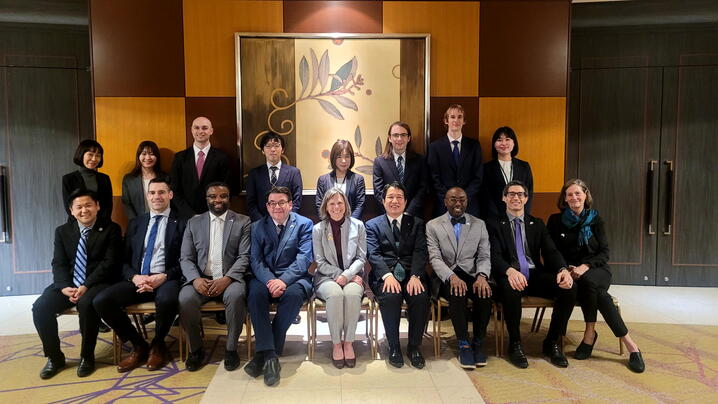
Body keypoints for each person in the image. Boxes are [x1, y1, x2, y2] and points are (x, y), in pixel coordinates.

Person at [547, 179, 645, 373]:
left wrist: (585, 266)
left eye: (578, 193)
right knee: (600, 295)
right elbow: (552, 251)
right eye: (569, 194)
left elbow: (604, 253)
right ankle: (632, 346)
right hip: (569, 271)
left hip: (597, 270)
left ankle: (589, 334)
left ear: (585, 196)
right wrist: (565, 268)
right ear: (564, 199)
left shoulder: (596, 219)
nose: (574, 197)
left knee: (590, 281)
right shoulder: (555, 221)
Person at [94, 178, 186, 373]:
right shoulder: (137, 222)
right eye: (152, 193)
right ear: (147, 196)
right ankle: (138, 345)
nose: (156, 197)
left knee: (168, 299)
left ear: (170, 195)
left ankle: (158, 344)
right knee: (102, 301)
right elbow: (123, 259)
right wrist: (135, 277)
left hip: (166, 279)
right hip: (138, 278)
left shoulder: (182, 223)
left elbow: (186, 261)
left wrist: (163, 276)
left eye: (161, 192)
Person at [32, 189, 122, 379]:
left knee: (86, 303)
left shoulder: (111, 228)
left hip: (98, 281)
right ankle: (54, 357)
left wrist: (86, 285)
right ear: (71, 211)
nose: (84, 210)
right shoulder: (63, 231)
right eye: (79, 207)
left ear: (97, 206)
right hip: (69, 283)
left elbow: (110, 263)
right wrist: (64, 285)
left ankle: (86, 357)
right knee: (40, 307)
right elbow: (59, 262)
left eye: (88, 205)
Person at [487, 180, 577, 369]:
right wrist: (509, 271)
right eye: (511, 194)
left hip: (535, 274)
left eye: (520, 194)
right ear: (504, 198)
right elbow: (493, 255)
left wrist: (563, 270)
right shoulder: (494, 224)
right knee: (510, 289)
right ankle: (515, 343)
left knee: (568, 288)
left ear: (526, 198)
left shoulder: (536, 223)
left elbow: (551, 251)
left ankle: (551, 342)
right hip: (509, 274)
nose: (516, 198)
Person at [244, 186, 313, 386]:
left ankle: (262, 353)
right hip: (264, 277)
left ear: (290, 204)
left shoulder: (304, 224)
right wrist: (270, 280)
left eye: (282, 202)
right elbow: (255, 261)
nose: (277, 207)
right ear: (267, 206)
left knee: (293, 296)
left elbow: (304, 258)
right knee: (254, 294)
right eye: (272, 203)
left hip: (294, 277)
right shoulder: (257, 226)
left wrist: (283, 281)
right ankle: (271, 356)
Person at [178, 182, 251, 372]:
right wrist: (195, 279)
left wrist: (227, 279)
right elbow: (185, 257)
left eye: (223, 196)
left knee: (236, 297)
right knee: (185, 299)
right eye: (213, 196)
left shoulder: (243, 221)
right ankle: (196, 349)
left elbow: (244, 257)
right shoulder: (194, 223)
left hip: (230, 279)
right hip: (201, 278)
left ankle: (231, 349)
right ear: (206, 199)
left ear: (229, 198)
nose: (218, 200)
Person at [426, 187, 492, 369]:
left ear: (467, 201)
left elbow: (484, 256)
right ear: (445, 202)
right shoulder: (433, 225)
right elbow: (435, 258)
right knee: (457, 293)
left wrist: (482, 276)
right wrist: (451, 276)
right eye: (453, 199)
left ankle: (478, 341)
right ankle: (463, 343)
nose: (458, 203)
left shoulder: (479, 224)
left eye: (462, 199)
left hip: (472, 273)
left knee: (485, 294)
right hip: (446, 275)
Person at [366, 181, 430, 369]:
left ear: (406, 201)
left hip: (412, 275)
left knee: (420, 297)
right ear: (383, 201)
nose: (395, 201)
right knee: (391, 296)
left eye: (399, 197)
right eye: (391, 197)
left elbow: (420, 251)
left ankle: (414, 347)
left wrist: (416, 276)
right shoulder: (372, 225)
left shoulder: (417, 223)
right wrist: (387, 275)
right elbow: (374, 254)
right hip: (384, 276)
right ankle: (394, 346)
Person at [312, 188, 366, 368]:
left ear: (346, 205)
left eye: (340, 203)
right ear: (326, 207)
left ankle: (348, 343)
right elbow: (320, 262)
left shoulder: (358, 225)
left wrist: (348, 275)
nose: (336, 207)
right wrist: (340, 276)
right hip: (326, 277)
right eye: (332, 203)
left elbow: (361, 258)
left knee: (351, 295)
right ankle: (336, 344)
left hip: (353, 276)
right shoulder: (318, 229)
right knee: (335, 295)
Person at [427, 104, 483, 216]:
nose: (456, 120)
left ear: (464, 121)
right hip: (443, 205)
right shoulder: (435, 147)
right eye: (452, 117)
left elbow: (478, 177)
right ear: (446, 120)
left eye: (459, 117)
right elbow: (433, 177)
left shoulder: (474, 146)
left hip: (469, 205)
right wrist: (450, 199)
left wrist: (463, 198)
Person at [170, 116, 231, 219]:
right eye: (196, 128)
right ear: (191, 130)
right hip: (185, 216)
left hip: (214, 215)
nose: (200, 131)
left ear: (211, 131)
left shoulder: (222, 157)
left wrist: (212, 213)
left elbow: (226, 189)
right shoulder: (180, 158)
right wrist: (190, 214)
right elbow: (174, 190)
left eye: (204, 128)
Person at [372, 121, 427, 217]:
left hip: (413, 216)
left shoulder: (420, 161)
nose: (399, 139)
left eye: (403, 135)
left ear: (408, 138)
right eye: (395, 135)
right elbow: (378, 192)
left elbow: (422, 189)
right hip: (388, 216)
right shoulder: (379, 162)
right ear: (389, 138)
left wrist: (408, 212)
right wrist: (393, 211)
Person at [245, 132, 303, 222]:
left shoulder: (294, 172)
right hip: (262, 223)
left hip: (287, 222)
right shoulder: (254, 174)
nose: (273, 149)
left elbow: (297, 200)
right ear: (263, 151)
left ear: (282, 149)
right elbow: (251, 202)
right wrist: (262, 223)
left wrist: (287, 220)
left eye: (276, 146)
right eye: (268, 146)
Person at [481, 126, 534, 219]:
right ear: (494, 144)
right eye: (499, 140)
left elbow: (528, 191)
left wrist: (522, 214)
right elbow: (485, 196)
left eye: (507, 139)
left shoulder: (524, 166)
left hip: (519, 217)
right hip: (494, 219)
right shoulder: (486, 168)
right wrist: (496, 217)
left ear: (514, 143)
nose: (503, 143)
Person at [62, 139, 113, 222]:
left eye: (98, 155)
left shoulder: (104, 178)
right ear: (81, 154)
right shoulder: (68, 179)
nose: (94, 159)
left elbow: (108, 206)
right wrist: (84, 224)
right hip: (77, 225)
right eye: (90, 154)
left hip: (102, 225)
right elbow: (69, 207)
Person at [315, 139, 366, 219]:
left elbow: (360, 205)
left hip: (351, 226)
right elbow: (319, 205)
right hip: (329, 226)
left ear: (351, 158)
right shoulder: (323, 180)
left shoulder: (358, 179)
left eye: (347, 156)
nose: (343, 160)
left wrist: (349, 224)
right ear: (333, 158)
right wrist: (329, 223)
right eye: (339, 157)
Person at [122, 140, 167, 221]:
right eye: (144, 154)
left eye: (151, 154)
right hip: (137, 222)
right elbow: (127, 204)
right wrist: (136, 223)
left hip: (162, 221)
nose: (147, 158)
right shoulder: (129, 179)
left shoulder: (166, 178)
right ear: (138, 156)